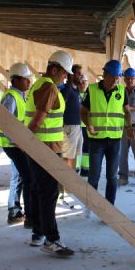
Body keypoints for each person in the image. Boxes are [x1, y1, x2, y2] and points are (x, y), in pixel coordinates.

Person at [23, 50, 75, 257]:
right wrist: (28, 142)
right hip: (45, 149)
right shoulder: (49, 88)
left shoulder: (38, 83)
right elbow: (37, 121)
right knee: (49, 193)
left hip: (41, 147)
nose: (66, 76)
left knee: (39, 190)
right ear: (54, 69)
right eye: (63, 73)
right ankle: (52, 239)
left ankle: (38, 233)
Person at [80, 60, 133, 205]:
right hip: (96, 140)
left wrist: (129, 127)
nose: (116, 80)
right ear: (105, 75)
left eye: (118, 78)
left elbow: (127, 112)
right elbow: (83, 112)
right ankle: (91, 205)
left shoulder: (121, 91)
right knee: (94, 176)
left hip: (115, 140)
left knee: (112, 176)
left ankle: (110, 207)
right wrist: (88, 124)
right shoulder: (91, 90)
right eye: (113, 77)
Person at [0, 62, 33, 225]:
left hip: (17, 144)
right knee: (28, 177)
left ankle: (14, 212)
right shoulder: (11, 97)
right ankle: (28, 216)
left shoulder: (19, 96)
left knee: (18, 175)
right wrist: (17, 141)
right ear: (17, 80)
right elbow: (4, 122)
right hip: (13, 145)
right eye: (26, 79)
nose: (29, 82)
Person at [59, 64, 84, 200]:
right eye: (79, 74)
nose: (81, 76)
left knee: (74, 156)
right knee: (67, 157)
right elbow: (61, 107)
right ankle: (66, 185)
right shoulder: (67, 90)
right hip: (68, 127)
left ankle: (71, 182)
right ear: (72, 75)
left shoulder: (75, 90)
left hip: (77, 127)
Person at [77, 74, 90, 177]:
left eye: (84, 82)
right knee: (77, 149)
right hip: (76, 127)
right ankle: (76, 169)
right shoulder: (75, 94)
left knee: (86, 149)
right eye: (81, 82)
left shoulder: (90, 95)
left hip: (86, 126)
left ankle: (85, 169)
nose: (83, 84)